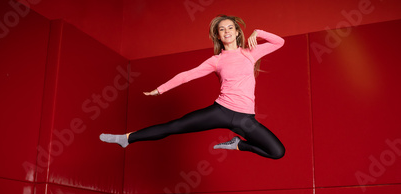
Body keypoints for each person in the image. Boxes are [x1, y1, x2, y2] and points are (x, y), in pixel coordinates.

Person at [100, 14, 285, 159]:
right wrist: (161, 89)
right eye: (222, 29)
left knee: (277, 152)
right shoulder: (216, 60)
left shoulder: (250, 53)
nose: (227, 31)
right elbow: (188, 75)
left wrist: (258, 32)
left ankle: (237, 144)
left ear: (237, 32)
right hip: (221, 111)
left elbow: (279, 42)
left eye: (230, 27)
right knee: (174, 126)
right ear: (219, 36)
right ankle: (126, 138)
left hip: (245, 119)